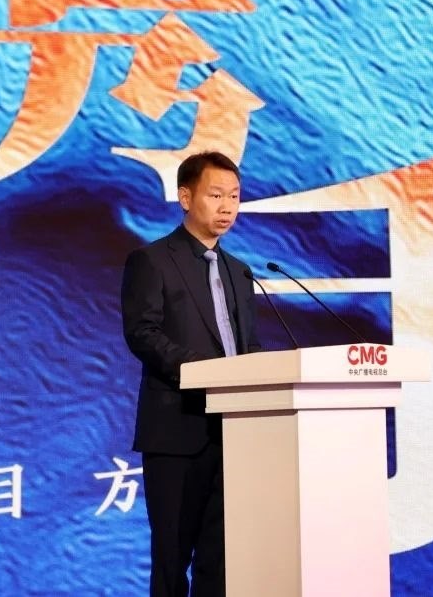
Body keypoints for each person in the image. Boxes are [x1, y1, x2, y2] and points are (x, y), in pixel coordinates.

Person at [120, 151, 260, 597]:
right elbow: (142, 333)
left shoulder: (240, 272)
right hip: (177, 431)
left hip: (234, 432)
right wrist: (205, 372)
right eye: (216, 195)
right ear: (185, 198)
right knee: (172, 560)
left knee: (221, 561)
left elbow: (248, 347)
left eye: (234, 197)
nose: (227, 207)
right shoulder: (152, 261)